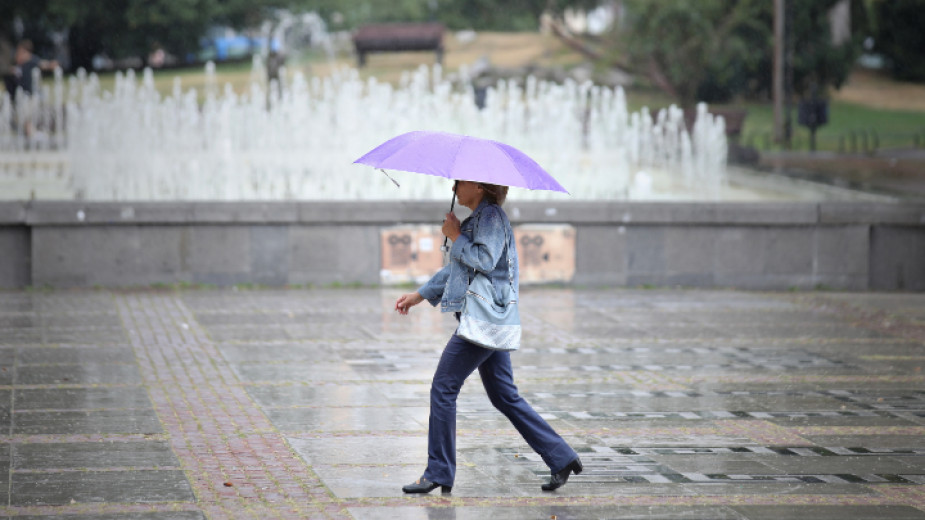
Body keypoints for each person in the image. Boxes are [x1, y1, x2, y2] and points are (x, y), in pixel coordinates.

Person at [394, 180, 583, 494]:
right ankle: (561, 457)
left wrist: (455, 237)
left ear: (479, 187)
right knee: (504, 395)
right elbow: (458, 269)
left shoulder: (492, 217)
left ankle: (438, 471)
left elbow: (484, 259)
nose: (455, 185)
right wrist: (419, 295)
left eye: (461, 181)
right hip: (486, 321)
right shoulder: (477, 221)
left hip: (483, 322)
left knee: (444, 387)